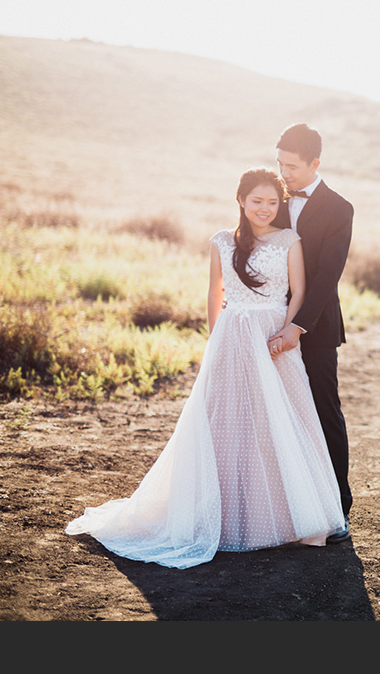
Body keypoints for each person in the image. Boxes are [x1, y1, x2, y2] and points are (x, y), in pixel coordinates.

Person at [65, 168, 347, 569]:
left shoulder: (290, 240)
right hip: (233, 336)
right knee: (228, 421)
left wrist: (289, 332)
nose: (264, 209)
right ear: (241, 201)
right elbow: (214, 293)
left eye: (272, 202)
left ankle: (287, 516)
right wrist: (216, 339)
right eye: (257, 201)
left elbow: (299, 290)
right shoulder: (220, 241)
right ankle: (227, 514)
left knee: (283, 419)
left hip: (274, 336)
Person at [268, 124, 354, 542]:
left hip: (316, 328)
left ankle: (337, 507)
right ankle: (285, 505)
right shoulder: (273, 198)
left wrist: (298, 327)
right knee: (273, 411)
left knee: (323, 411)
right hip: (267, 322)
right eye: (280, 164)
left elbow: (326, 276)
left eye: (293, 167)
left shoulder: (340, 209)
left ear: (315, 164)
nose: (284, 173)